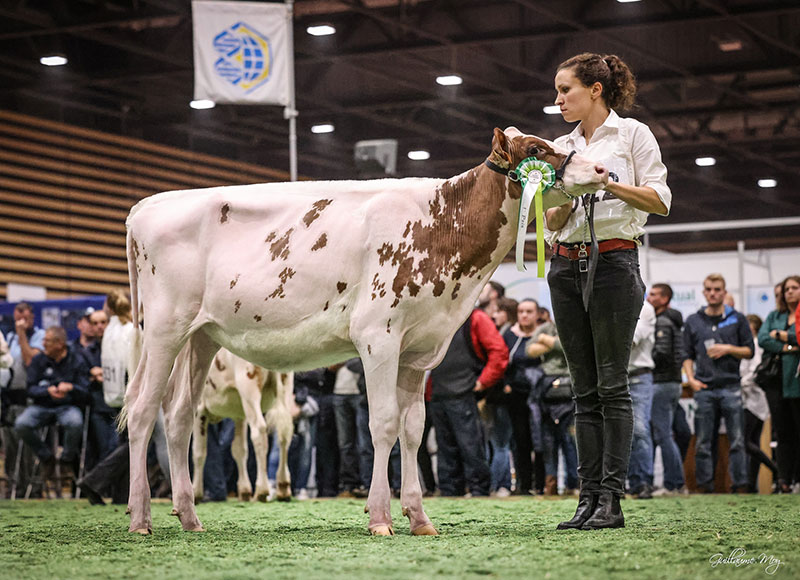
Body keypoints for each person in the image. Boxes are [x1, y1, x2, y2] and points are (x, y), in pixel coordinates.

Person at [544, 52, 671, 530]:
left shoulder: (633, 134)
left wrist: (608, 185)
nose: (558, 100)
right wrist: (564, 194)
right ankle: (587, 498)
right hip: (565, 264)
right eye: (557, 92)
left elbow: (660, 200)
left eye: (565, 90)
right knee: (583, 388)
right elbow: (552, 219)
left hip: (616, 261)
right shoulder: (561, 145)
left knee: (612, 384)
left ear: (595, 90)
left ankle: (611, 501)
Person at [683, 273, 753, 493]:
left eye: (717, 289)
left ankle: (740, 486)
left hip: (731, 386)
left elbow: (749, 351)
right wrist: (691, 379)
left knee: (738, 441)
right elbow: (686, 354)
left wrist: (728, 348)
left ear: (724, 292)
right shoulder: (693, 320)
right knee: (703, 442)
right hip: (704, 388)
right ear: (704, 292)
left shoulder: (738, 318)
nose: (713, 293)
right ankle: (705, 487)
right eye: (709, 289)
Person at [430, 308, 507, 497]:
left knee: (470, 446)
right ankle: (450, 491)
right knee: (446, 448)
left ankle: (478, 490)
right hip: (438, 394)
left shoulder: (476, 318)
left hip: (463, 393)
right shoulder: (436, 317)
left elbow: (499, 352)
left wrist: (483, 382)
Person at [14, 326, 89, 487]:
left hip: (67, 406)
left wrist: (71, 387)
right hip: (42, 406)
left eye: (47, 341)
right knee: (21, 424)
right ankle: (46, 457)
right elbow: (30, 388)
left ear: (59, 344)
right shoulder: (39, 360)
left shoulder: (77, 359)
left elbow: (86, 390)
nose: (43, 344)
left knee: (75, 422)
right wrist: (47, 390)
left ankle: (66, 461)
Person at [757, 275, 800, 493]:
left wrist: (783, 335)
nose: (789, 292)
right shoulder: (775, 315)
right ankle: (784, 480)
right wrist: (790, 345)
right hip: (775, 382)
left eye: (794, 288)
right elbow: (764, 338)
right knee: (782, 433)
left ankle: (797, 478)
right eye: (786, 289)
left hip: (796, 381)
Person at [527, 315, 578, 496]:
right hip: (546, 391)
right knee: (548, 441)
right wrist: (557, 343)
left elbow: (574, 347)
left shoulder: (577, 324)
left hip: (571, 389)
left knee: (570, 441)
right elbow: (530, 350)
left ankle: (574, 484)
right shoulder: (545, 327)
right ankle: (551, 484)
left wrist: (546, 341)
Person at [647, 283, 687, 496]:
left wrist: (644, 361)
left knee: (663, 434)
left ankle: (675, 484)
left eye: (653, 294)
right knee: (664, 433)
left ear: (665, 299)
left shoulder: (663, 321)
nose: (649, 297)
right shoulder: (673, 320)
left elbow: (661, 353)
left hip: (662, 382)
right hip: (672, 382)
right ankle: (674, 482)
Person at [1, 302, 45, 496]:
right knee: (10, 448)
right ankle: (14, 487)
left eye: (25, 318)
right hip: (9, 399)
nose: (21, 321)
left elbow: (30, 360)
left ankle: (32, 489)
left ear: (32, 317)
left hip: (29, 399)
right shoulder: (7, 337)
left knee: (28, 449)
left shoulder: (40, 336)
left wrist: (21, 334)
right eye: (18, 317)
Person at [500, 298, 541, 495]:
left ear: (537, 314)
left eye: (529, 311)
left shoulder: (545, 333)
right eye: (521, 311)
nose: (524, 315)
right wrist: (506, 384)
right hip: (516, 395)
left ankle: (542, 483)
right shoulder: (509, 334)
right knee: (520, 440)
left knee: (541, 439)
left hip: (541, 394)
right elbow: (501, 361)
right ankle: (524, 485)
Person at [740, 314, 778, 493]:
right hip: (752, 398)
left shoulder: (755, 345)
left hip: (754, 398)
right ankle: (750, 484)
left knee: (746, 441)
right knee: (752, 441)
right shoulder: (748, 345)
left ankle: (774, 469)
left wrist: (739, 383)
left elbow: (755, 372)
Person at [626, 301, 656, 499]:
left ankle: (644, 481)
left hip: (638, 376)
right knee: (617, 432)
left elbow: (631, 339)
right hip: (614, 375)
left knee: (640, 430)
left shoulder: (644, 308)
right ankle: (626, 482)